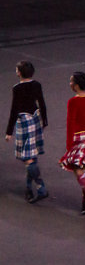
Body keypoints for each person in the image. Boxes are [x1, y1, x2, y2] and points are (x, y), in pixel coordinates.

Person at [6, 60, 48, 203]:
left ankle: (40, 186)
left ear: (19, 72)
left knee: (27, 157)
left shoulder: (17, 88)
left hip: (24, 120)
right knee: (32, 156)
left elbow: (14, 110)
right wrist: (44, 121)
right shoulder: (37, 85)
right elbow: (41, 103)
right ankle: (29, 188)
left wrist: (9, 131)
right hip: (35, 118)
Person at [59, 71, 85, 215]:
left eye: (71, 82)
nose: (69, 84)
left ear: (76, 86)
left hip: (79, 138)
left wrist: (69, 144)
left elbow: (70, 123)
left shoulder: (73, 101)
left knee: (77, 167)